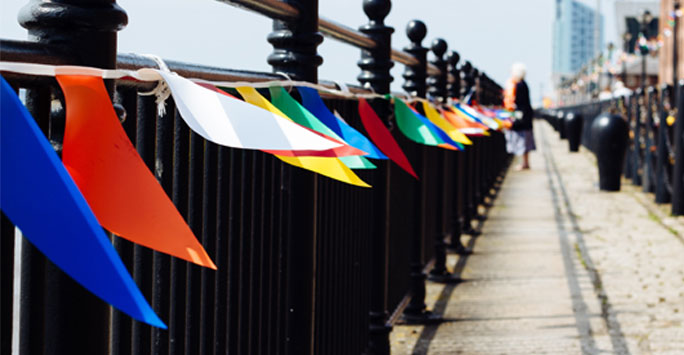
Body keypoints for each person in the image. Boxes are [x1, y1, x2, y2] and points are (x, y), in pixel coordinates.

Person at [504, 63, 536, 170]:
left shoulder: (519, 86)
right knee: (524, 142)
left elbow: (518, 102)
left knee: (521, 141)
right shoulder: (524, 84)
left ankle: (524, 163)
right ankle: (525, 163)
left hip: (521, 118)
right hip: (526, 117)